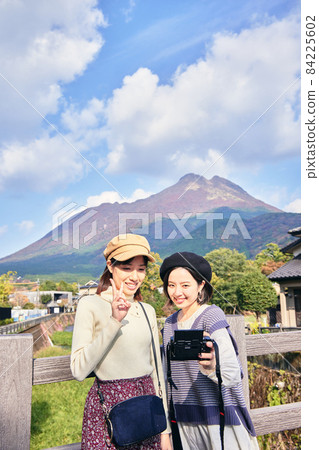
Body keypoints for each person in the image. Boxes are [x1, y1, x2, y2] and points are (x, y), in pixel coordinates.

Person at [71, 234, 172, 450]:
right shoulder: (90, 304)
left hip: (147, 409)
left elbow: (157, 374)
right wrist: (114, 321)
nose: (135, 276)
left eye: (141, 269)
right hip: (108, 411)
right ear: (110, 265)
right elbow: (79, 370)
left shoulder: (147, 310)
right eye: (127, 268)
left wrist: (165, 433)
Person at [160, 251, 259, 450]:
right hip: (184, 425)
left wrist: (213, 365)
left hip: (219, 422)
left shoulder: (211, 316)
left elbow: (232, 374)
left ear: (201, 285)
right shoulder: (169, 325)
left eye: (185, 285)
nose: (177, 292)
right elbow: (165, 378)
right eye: (171, 285)